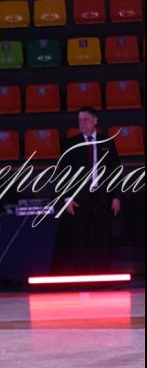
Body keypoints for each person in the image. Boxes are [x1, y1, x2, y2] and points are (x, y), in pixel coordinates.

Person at [58, 107, 122, 272]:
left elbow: (115, 170)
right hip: (79, 199)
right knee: (80, 238)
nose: (82, 123)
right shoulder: (71, 143)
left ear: (95, 121)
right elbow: (63, 173)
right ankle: (81, 274)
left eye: (86, 119)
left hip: (102, 198)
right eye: (80, 120)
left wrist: (117, 197)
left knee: (103, 238)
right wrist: (67, 197)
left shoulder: (107, 142)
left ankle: (103, 273)